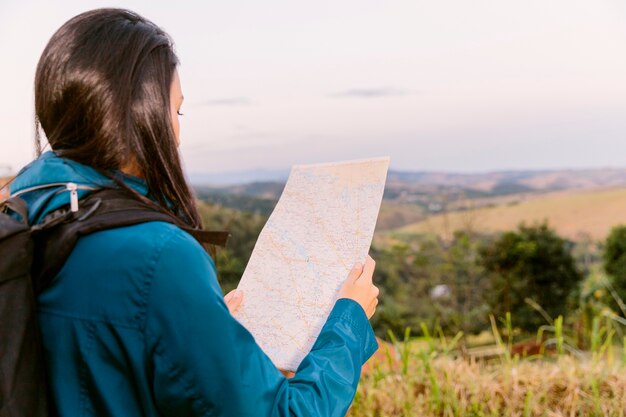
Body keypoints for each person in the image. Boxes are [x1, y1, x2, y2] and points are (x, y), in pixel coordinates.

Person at [10, 8, 380, 417]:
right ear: (143, 115)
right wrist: (348, 320)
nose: (178, 132)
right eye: (177, 110)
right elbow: (285, 412)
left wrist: (202, 326)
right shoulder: (158, 256)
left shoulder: (27, 210)